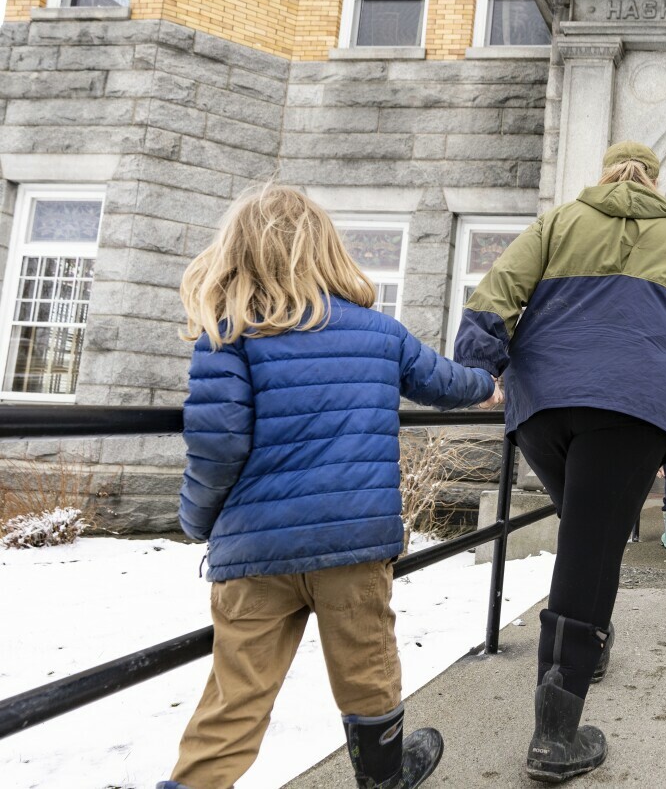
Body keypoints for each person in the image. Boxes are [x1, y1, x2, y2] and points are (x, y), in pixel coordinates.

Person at [159, 185, 499, 789]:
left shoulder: (228, 334)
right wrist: (490, 386)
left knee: (234, 700)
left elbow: (217, 444)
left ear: (237, 253)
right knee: (368, 668)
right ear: (330, 252)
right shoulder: (377, 332)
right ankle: (384, 775)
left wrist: (198, 520)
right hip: (353, 545)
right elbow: (443, 382)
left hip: (256, 551)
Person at [456, 141, 666, 782]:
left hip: (543, 405)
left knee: (587, 531)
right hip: (631, 407)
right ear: (655, 183)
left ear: (604, 174)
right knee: (591, 549)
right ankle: (555, 734)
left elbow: (498, 289)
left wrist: (475, 369)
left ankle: (588, 645)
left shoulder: (558, 221)